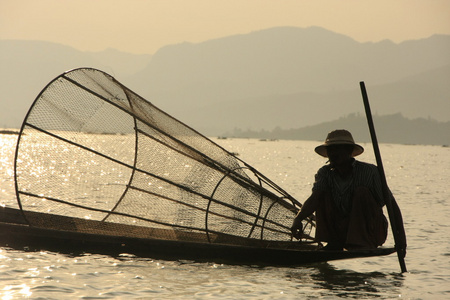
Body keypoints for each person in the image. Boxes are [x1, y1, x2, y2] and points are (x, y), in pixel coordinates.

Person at [291, 129, 406, 256]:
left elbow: (392, 206)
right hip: (342, 231)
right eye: (330, 150)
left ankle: (361, 242)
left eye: (337, 149)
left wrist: (401, 240)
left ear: (349, 151)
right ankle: (334, 242)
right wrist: (298, 219)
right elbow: (314, 199)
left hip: (371, 231)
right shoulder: (325, 173)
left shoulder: (370, 172)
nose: (333, 154)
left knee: (361, 193)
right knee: (322, 194)